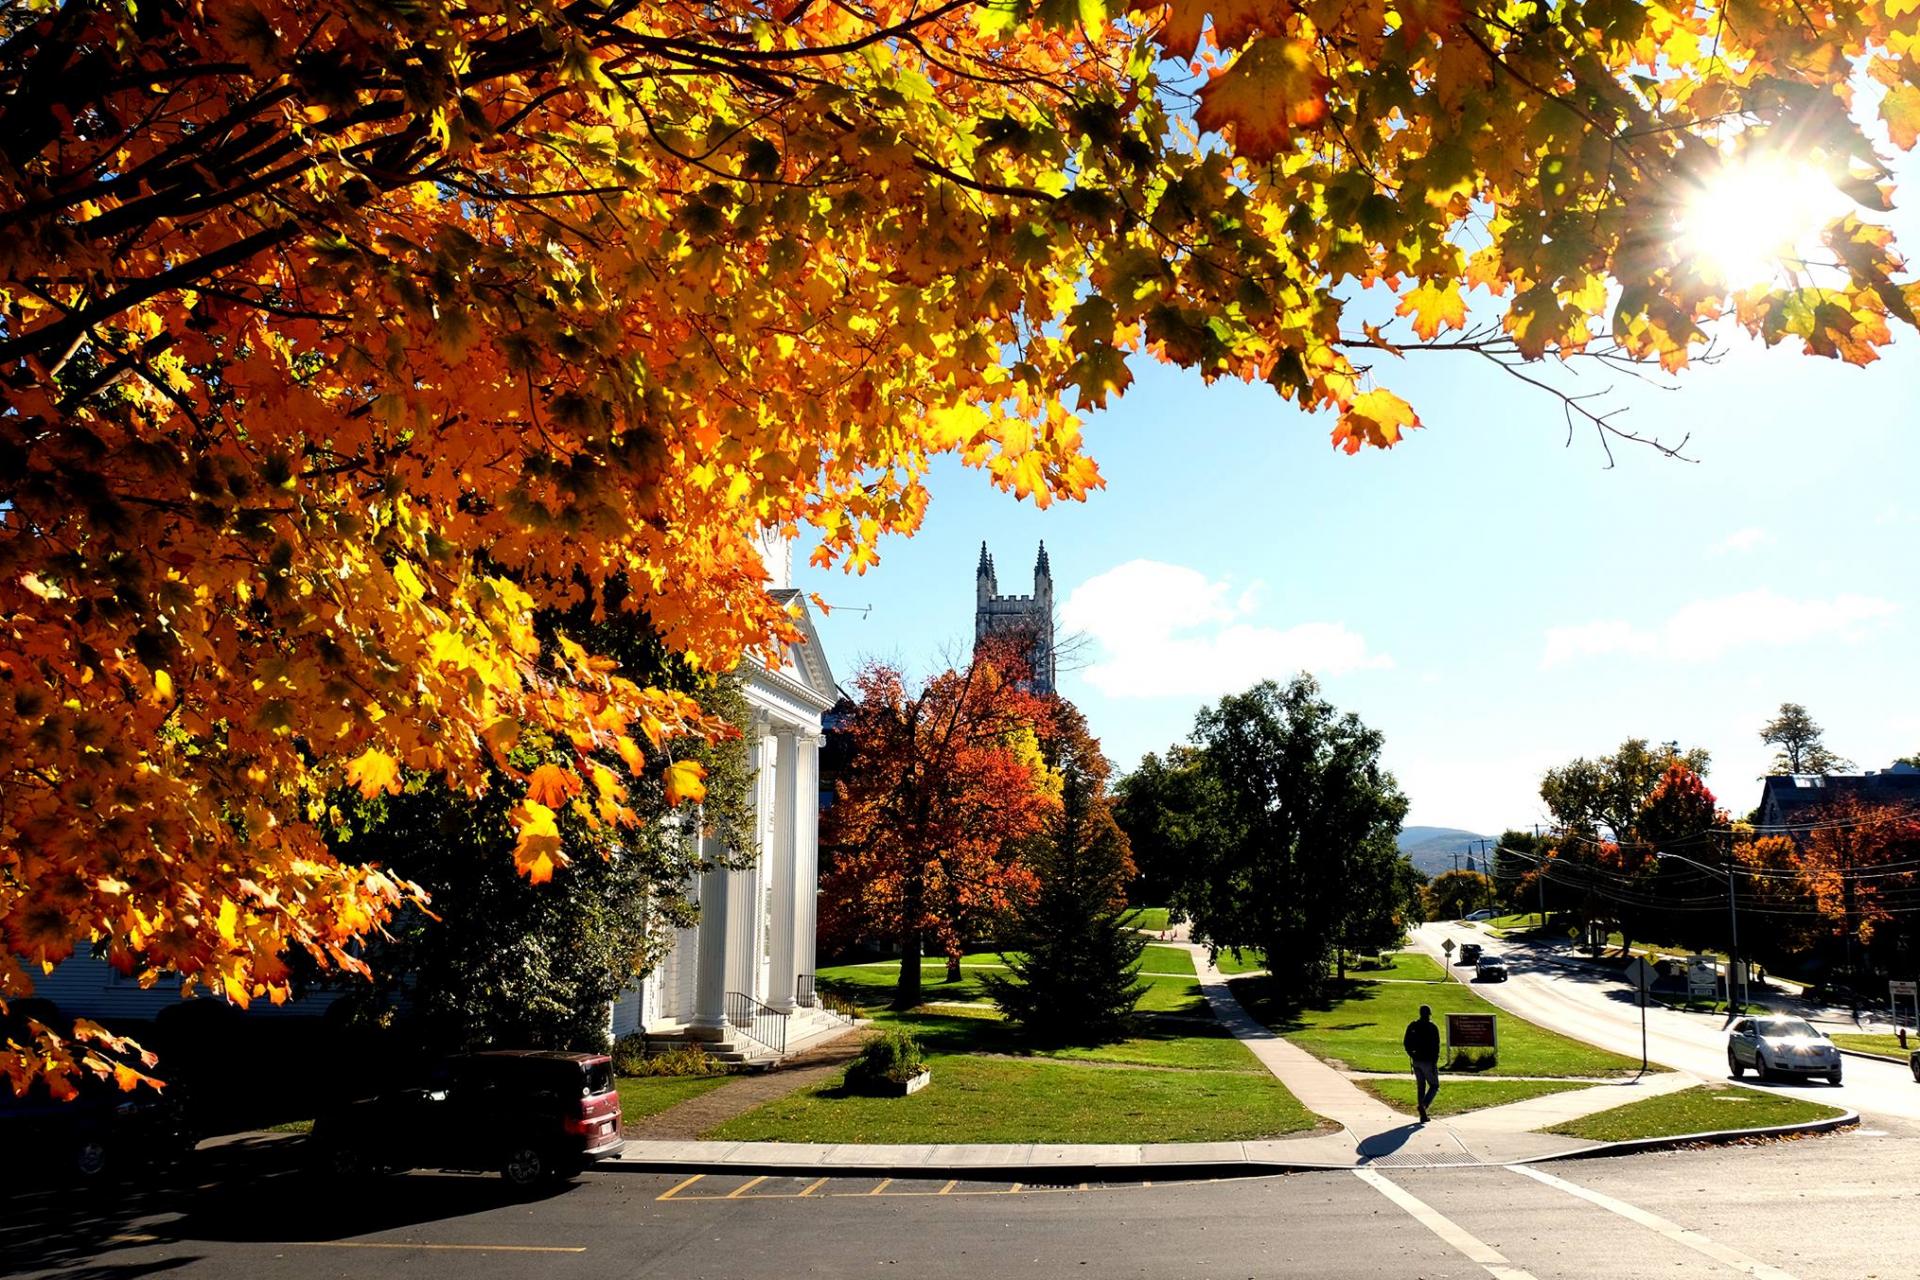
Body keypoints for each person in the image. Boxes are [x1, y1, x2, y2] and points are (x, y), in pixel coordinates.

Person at [1403, 1004, 1441, 1123]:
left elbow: (1406, 1042)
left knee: (1421, 1086)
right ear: (1429, 1014)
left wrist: (1412, 1055)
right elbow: (1436, 1046)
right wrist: (1434, 1062)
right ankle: (1423, 1106)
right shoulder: (1432, 1027)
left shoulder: (1413, 1025)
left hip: (1416, 1061)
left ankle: (1423, 1115)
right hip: (1428, 1061)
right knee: (1434, 1086)